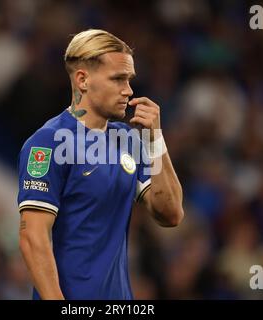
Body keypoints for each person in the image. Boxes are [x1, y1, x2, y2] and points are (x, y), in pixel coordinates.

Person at [17, 29, 184, 300]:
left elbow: (171, 213)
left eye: (129, 80)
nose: (128, 91)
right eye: (118, 79)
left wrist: (155, 140)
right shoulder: (48, 143)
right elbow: (32, 237)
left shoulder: (128, 139)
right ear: (83, 80)